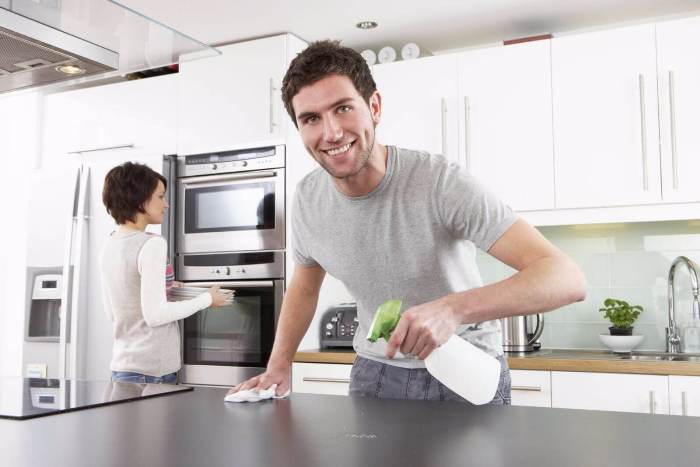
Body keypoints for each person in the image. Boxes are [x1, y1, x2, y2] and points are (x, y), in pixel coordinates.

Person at [228, 40, 587, 403]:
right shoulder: (307, 198)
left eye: (343, 108)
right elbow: (304, 288)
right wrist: (279, 363)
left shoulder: (440, 182)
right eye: (311, 119)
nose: (331, 132)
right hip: (375, 373)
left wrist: (452, 309)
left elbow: (566, 278)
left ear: (374, 107)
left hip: (463, 366)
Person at [100, 162, 229, 384]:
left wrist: (165, 287)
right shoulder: (152, 244)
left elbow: (115, 310)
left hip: (123, 367)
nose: (166, 204)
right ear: (140, 199)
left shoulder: (110, 243)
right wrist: (207, 299)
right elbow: (156, 315)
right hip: (152, 370)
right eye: (160, 197)